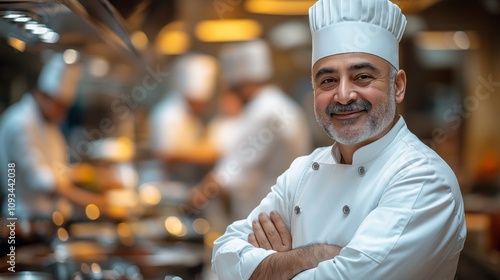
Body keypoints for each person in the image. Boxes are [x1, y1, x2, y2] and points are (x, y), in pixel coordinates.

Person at [211, 0, 467, 279]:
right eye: (328, 81)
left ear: (398, 86)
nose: (344, 96)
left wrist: (269, 267)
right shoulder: (302, 171)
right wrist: (309, 256)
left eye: (363, 77)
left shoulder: (424, 180)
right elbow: (223, 254)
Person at [185, 40, 312, 222]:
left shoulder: (265, 111)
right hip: (279, 215)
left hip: (267, 219)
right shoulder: (280, 104)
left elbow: (230, 173)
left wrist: (192, 201)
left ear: (241, 83)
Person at [0, 53, 109, 222]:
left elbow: (57, 170)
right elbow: (41, 180)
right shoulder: (19, 123)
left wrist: (86, 174)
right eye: (60, 106)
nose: (63, 115)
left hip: (50, 219)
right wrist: (92, 202)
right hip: (23, 222)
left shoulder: (47, 123)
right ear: (43, 95)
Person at [149, 53, 219, 183]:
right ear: (188, 97)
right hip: (163, 183)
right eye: (199, 102)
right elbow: (166, 155)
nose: (203, 106)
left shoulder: (192, 116)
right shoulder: (168, 114)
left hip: (182, 181)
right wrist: (206, 154)